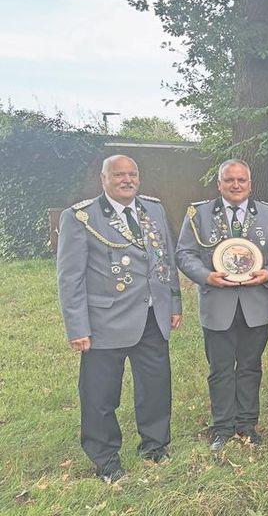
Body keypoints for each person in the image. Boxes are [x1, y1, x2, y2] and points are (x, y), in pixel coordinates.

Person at [57, 155, 182, 482]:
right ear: (104, 179)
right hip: (104, 323)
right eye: (119, 175)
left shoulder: (152, 209)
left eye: (132, 174)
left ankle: (155, 446)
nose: (127, 180)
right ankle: (106, 459)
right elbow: (70, 279)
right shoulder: (81, 217)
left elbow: (165, 258)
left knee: (155, 388)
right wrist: (77, 327)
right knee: (100, 396)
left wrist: (174, 302)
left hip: (152, 316)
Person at [176, 159, 268, 450]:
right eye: (229, 180)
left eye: (241, 180)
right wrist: (206, 276)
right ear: (219, 183)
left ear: (250, 183)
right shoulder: (199, 213)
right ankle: (222, 428)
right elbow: (184, 254)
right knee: (220, 368)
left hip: (255, 304)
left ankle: (247, 425)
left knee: (250, 366)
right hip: (217, 304)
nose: (236, 185)